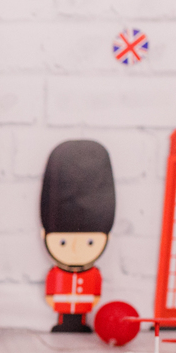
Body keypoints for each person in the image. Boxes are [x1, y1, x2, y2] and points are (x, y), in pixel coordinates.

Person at [39, 140, 116, 333]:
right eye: (63, 242)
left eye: (90, 242)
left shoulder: (93, 274)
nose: (74, 250)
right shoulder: (56, 273)